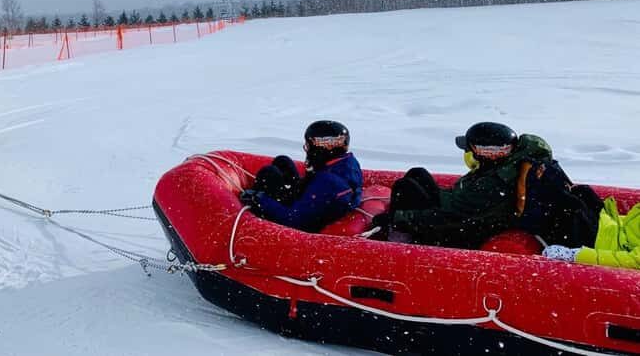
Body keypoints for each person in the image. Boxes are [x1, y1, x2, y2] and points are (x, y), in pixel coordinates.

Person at [372, 122, 555, 248]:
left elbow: (449, 217)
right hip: (465, 215)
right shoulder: (502, 168)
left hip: (462, 232)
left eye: (469, 149)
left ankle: (399, 243)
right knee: (417, 174)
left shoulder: (491, 185)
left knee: (405, 188)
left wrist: (399, 218)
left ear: (486, 153)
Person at [239, 120, 362, 233]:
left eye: (308, 146)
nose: (307, 150)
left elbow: (294, 221)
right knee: (283, 162)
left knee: (268, 174)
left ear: (321, 147)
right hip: (312, 205)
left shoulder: (327, 182)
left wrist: (260, 199)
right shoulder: (348, 163)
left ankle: (248, 212)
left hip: (300, 220)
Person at [542, 197, 640, 269]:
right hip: (608, 227)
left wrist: (576, 255)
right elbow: (629, 229)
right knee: (582, 192)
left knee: (569, 207)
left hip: (600, 243)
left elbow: (633, 261)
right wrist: (609, 215)